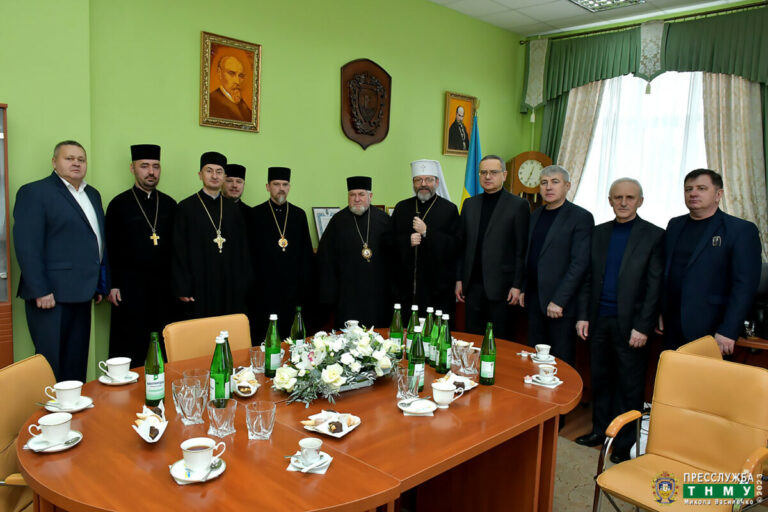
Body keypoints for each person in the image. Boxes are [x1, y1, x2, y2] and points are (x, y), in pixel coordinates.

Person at [574, 178, 664, 463]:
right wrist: (583, 316)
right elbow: (588, 278)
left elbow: (655, 286)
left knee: (629, 385)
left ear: (640, 201)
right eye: (617, 197)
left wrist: (643, 326)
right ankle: (600, 431)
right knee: (600, 379)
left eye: (630, 197)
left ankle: (625, 442)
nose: (623, 202)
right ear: (610, 200)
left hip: (632, 325)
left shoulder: (654, 235)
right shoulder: (598, 232)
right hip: (598, 319)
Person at [13, 140, 109, 381]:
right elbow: (27, 245)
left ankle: (74, 406)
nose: (76, 163)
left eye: (81, 159)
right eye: (69, 158)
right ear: (54, 162)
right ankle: (48, 407)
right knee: (50, 364)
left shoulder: (92, 194)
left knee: (76, 363)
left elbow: (97, 240)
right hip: (50, 296)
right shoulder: (35, 192)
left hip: (83, 293)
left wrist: (99, 284)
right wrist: (40, 289)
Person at [660, 169, 762, 354]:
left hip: (713, 328)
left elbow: (745, 286)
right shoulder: (674, 225)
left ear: (718, 194)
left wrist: (729, 330)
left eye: (701, 188)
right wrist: (661, 311)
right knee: (671, 373)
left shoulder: (740, 230)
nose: (693, 193)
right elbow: (666, 273)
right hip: (672, 324)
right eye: (688, 189)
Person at [105, 144, 178, 364]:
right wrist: (112, 284)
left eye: (156, 166)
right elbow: (109, 247)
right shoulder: (118, 204)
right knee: (130, 347)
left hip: (164, 290)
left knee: (165, 349)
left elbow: (178, 249)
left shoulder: (170, 204)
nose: (151, 172)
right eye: (144, 166)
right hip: (129, 289)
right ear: (132, 168)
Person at [521, 165, 593, 365]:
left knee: (560, 361)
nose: (548, 187)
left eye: (555, 182)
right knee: (535, 357)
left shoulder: (580, 217)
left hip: (560, 305)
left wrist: (559, 301)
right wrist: (524, 288)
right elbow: (530, 255)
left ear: (567, 186)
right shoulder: (536, 214)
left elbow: (579, 264)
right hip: (534, 299)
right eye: (544, 183)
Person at [455, 155, 529, 339]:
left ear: (504, 175)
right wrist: (459, 279)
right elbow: (461, 246)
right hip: (472, 287)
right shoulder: (470, 204)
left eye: (493, 172)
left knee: (500, 341)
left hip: (503, 288)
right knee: (472, 339)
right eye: (483, 172)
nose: (488, 177)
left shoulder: (518, 205)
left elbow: (521, 250)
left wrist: (517, 285)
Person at [171, 151, 252, 319]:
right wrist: (183, 286)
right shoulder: (186, 207)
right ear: (200, 175)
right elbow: (179, 249)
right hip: (199, 284)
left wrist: (243, 283)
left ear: (224, 176)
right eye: (209, 171)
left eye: (219, 171)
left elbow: (242, 249)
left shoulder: (233, 209)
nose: (214, 176)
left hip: (229, 284)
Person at [317, 176, 393, 328]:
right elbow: (325, 259)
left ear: (370, 196)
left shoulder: (384, 220)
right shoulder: (337, 221)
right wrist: (330, 295)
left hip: (377, 293)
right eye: (352, 195)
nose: (356, 199)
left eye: (361, 194)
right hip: (348, 294)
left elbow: (393, 257)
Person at [247, 166, 314, 340]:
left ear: (289, 187)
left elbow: (306, 253)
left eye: (285, 184)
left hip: (292, 289)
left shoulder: (299, 214)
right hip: (264, 289)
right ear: (268, 187)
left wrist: (305, 286)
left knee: (291, 335)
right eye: (276, 184)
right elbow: (249, 254)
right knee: (265, 334)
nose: (281, 188)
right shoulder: (255, 214)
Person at [391, 159, 459, 320]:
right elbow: (388, 241)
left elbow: (455, 245)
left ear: (437, 182)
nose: (423, 184)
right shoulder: (401, 208)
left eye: (428, 179)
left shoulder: (449, 209)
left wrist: (427, 232)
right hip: (406, 289)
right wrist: (407, 241)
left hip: (437, 289)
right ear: (413, 183)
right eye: (418, 180)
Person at [209, 55, 252, 122]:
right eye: (231, 73)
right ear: (219, 73)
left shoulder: (243, 106)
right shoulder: (211, 102)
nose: (237, 81)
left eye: (241, 76)